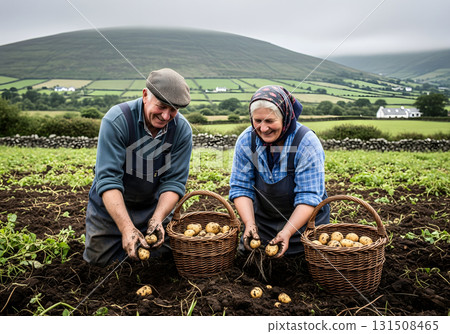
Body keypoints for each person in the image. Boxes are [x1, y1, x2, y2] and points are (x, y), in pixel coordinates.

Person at [83, 68, 193, 266]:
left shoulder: (182, 130)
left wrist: (157, 219)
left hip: (152, 207)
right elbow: (108, 180)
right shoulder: (117, 121)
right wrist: (126, 228)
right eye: (161, 106)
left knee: (161, 262)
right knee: (99, 264)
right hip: (110, 208)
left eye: (174, 110)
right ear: (145, 95)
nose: (167, 116)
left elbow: (174, 182)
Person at [229, 85, 329, 258]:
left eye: (270, 121)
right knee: (250, 263)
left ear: (286, 117)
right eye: (257, 120)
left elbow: (309, 196)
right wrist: (250, 224)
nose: (263, 128)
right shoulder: (247, 140)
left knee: (303, 268)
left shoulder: (306, 143)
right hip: (263, 224)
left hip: (304, 226)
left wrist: (288, 232)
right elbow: (241, 187)